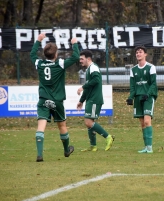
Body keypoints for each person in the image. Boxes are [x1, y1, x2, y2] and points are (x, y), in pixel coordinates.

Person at [30, 33, 79, 162]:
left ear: (45, 54)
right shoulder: (60, 64)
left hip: (43, 100)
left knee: (41, 126)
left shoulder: (39, 64)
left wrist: (38, 40)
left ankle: (40, 154)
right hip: (57, 101)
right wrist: (74, 43)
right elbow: (75, 57)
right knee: (62, 125)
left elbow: (32, 55)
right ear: (56, 54)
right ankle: (66, 150)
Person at [77, 50, 114, 152]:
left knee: (88, 122)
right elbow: (89, 87)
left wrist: (83, 87)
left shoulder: (93, 67)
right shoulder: (88, 70)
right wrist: (81, 101)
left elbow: (96, 80)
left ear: (88, 59)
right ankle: (93, 146)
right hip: (90, 99)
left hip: (94, 99)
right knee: (89, 122)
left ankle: (108, 137)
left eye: (82, 59)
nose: (80, 61)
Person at [126, 46, 158, 153]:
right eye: (137, 52)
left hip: (148, 97)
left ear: (145, 54)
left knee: (147, 121)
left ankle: (150, 148)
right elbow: (133, 86)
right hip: (138, 97)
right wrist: (130, 97)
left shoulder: (151, 67)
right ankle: (146, 147)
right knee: (142, 123)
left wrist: (148, 94)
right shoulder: (133, 70)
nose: (138, 54)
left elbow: (153, 84)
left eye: (140, 52)